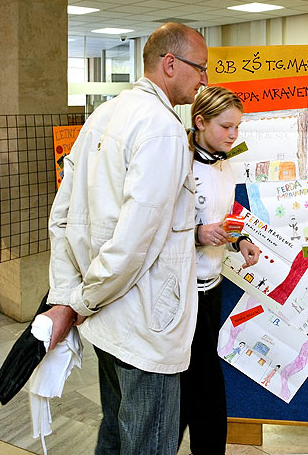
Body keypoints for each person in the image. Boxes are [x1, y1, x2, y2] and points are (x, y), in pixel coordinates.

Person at [43, 22, 208, 455]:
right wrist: (77, 301)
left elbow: (61, 218)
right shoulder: (163, 128)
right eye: (200, 68)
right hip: (144, 323)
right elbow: (135, 241)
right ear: (170, 64)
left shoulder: (103, 115)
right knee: (147, 443)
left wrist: (70, 295)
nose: (205, 79)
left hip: (109, 320)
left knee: (116, 434)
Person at [179, 86, 260, 455]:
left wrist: (237, 239)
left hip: (212, 287)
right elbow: (153, 227)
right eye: (226, 126)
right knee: (198, 384)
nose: (233, 135)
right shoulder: (179, 162)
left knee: (202, 382)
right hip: (181, 291)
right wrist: (197, 234)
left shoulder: (224, 163)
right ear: (200, 121)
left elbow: (222, 218)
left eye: (238, 127)